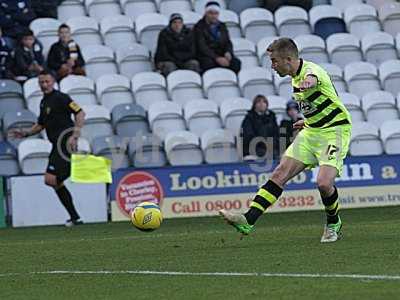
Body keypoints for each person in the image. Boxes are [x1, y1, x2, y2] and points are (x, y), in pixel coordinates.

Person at [220, 38, 352, 243]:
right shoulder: (293, 77)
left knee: (324, 183)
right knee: (280, 173)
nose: (272, 66)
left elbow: (313, 80)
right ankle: (248, 219)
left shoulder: (311, 72)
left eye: (274, 61)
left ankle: (333, 222)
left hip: (334, 131)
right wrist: (305, 121)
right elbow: (317, 103)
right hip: (312, 131)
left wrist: (307, 84)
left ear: (288, 59)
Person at [12, 70, 86, 227]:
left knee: (51, 179)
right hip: (56, 145)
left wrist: (75, 134)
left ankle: (79, 169)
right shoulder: (43, 102)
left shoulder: (61, 98)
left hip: (65, 142)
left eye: (47, 82)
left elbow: (80, 112)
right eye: (41, 82)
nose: (44, 85)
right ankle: (75, 217)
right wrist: (25, 133)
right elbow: (41, 124)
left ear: (53, 82)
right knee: (52, 180)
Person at [193, 1, 241, 74]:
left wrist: (228, 52)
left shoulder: (222, 26)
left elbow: (227, 42)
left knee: (236, 63)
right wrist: (217, 58)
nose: (213, 16)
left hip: (221, 53)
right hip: (207, 56)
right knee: (208, 64)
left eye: (216, 13)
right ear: (206, 13)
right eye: (211, 13)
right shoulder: (199, 27)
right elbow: (202, 47)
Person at [241, 95, 279, 159]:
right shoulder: (249, 118)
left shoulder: (271, 117)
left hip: (271, 147)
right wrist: (264, 143)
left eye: (264, 102)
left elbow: (276, 134)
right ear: (254, 105)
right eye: (259, 102)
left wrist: (272, 144)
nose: (261, 104)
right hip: (254, 148)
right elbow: (249, 136)